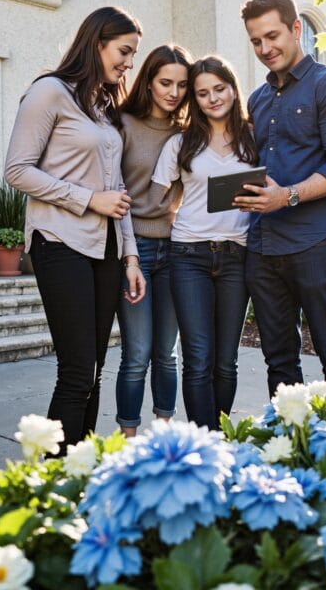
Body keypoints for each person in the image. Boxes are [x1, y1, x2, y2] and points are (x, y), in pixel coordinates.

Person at [4, 6, 146, 455]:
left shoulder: (102, 107)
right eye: (124, 51)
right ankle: (51, 475)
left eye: (133, 54)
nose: (129, 62)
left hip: (106, 248)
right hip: (59, 242)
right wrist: (87, 199)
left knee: (95, 370)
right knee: (77, 370)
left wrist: (131, 256)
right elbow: (17, 170)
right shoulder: (49, 92)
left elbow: (117, 190)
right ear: (97, 43)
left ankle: (79, 470)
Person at [234, 0, 326, 397]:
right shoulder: (256, 100)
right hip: (263, 248)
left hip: (317, 244)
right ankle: (291, 434)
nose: (265, 49)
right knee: (279, 362)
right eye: (256, 41)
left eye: (272, 36)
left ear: (296, 29)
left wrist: (286, 196)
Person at [151, 56, 257, 430]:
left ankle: (219, 438)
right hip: (188, 256)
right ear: (194, 99)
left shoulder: (254, 138)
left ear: (233, 90)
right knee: (198, 358)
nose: (213, 98)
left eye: (219, 89)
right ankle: (204, 440)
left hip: (237, 256)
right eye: (202, 93)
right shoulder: (181, 143)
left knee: (226, 360)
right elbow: (154, 198)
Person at [115, 44, 193, 437]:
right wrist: (130, 256)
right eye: (165, 83)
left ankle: (163, 437)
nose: (174, 92)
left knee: (167, 353)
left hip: (176, 249)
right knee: (137, 352)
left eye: (182, 84)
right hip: (134, 249)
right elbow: (113, 191)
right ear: (148, 81)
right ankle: (128, 441)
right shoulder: (123, 124)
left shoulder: (189, 132)